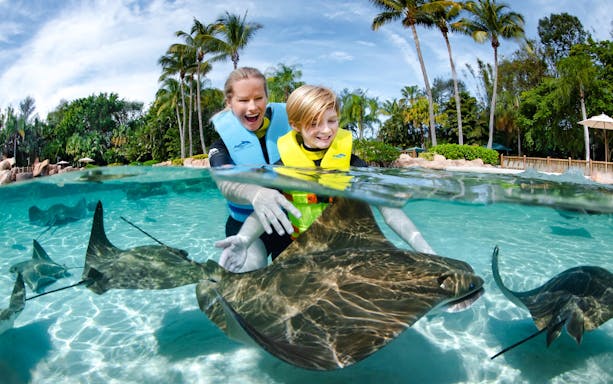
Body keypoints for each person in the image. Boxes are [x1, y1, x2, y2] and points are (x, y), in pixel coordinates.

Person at [216, 85, 435, 272]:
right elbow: (264, 209)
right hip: (298, 250)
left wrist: (426, 251)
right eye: (314, 123)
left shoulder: (353, 165)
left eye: (332, 121)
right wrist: (244, 240)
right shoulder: (282, 167)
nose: (326, 130)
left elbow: (390, 210)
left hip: (340, 251)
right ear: (295, 125)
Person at [208, 67, 302, 271]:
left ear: (267, 98)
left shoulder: (293, 133)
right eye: (243, 100)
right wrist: (255, 194)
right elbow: (225, 181)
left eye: (258, 98)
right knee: (246, 273)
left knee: (294, 282)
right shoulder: (220, 146)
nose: (252, 107)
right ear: (229, 103)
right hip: (244, 226)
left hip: (289, 224)